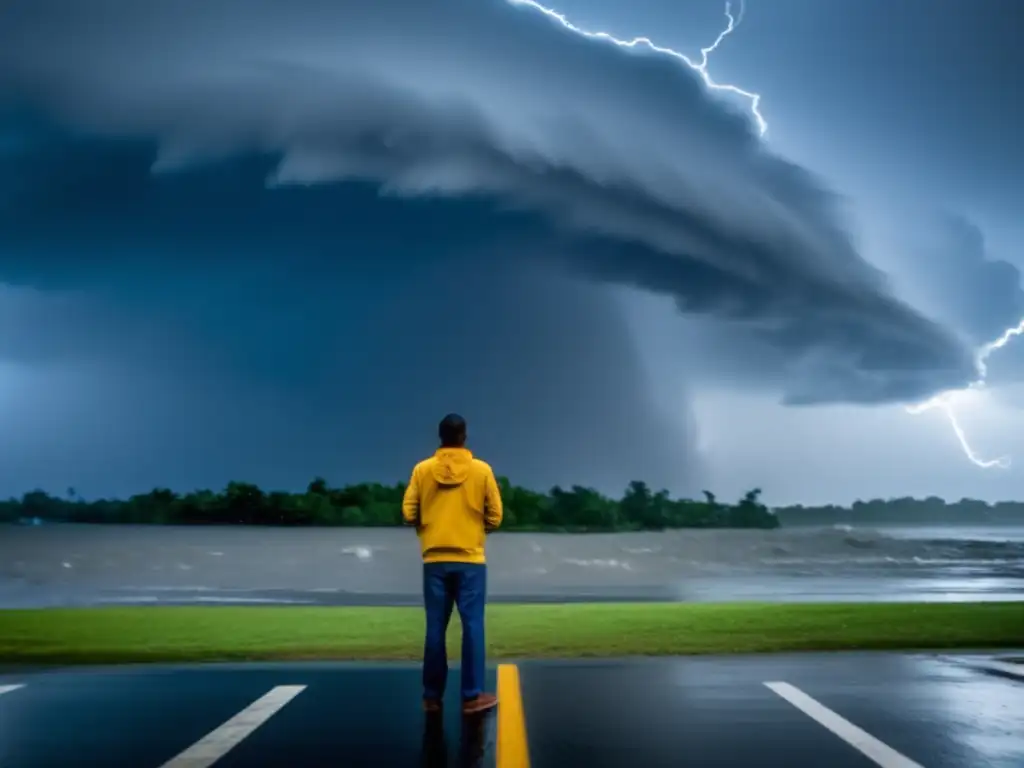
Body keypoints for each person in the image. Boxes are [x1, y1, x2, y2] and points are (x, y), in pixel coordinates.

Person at [402, 413, 504, 715]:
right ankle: (472, 696)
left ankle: (431, 697)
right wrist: (474, 530)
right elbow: (496, 516)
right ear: (464, 437)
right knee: (472, 626)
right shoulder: (482, 470)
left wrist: (429, 527)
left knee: (435, 628)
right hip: (471, 560)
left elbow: (408, 512)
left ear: (440, 437)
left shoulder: (422, 470)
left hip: (434, 559)